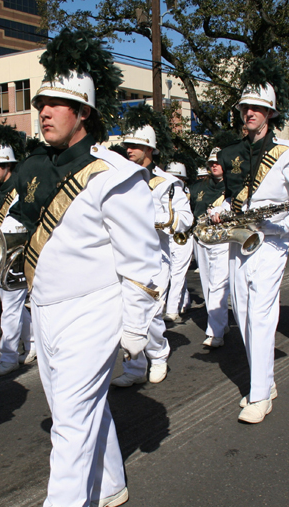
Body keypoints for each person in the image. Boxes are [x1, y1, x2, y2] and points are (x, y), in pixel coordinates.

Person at [8, 30, 160, 507]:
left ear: (84, 113)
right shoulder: (33, 169)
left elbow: (142, 260)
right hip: (45, 310)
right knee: (78, 409)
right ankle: (112, 483)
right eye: (42, 103)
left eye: (58, 104)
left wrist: (135, 327)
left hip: (93, 312)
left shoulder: (114, 175)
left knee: (69, 426)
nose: (44, 111)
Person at [215, 58, 289, 423]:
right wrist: (221, 209)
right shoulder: (231, 152)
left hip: (271, 242)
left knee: (262, 316)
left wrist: (284, 223)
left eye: (257, 108)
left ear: (270, 113)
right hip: (239, 239)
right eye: (245, 107)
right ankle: (264, 379)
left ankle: (260, 394)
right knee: (244, 315)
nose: (249, 113)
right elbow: (234, 197)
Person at [111, 107, 192, 387]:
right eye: (128, 145)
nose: (129, 150)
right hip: (124, 257)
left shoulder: (168, 184)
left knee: (152, 314)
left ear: (149, 149)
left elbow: (185, 219)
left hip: (156, 260)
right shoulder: (120, 179)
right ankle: (134, 368)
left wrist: (153, 220)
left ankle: (158, 355)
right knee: (126, 316)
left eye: (135, 145)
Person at [0, 122, 37, 377]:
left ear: (10, 166)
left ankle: (9, 356)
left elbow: (32, 220)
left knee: (10, 308)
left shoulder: (22, 188)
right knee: (11, 306)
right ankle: (32, 342)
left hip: (18, 254)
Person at [190, 147, 230, 347]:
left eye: (217, 162)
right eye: (211, 162)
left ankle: (215, 332)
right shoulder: (199, 186)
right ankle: (220, 323)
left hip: (222, 239)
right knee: (207, 284)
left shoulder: (233, 184)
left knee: (218, 284)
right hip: (201, 238)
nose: (214, 165)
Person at [163, 160, 195, 322]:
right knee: (171, 273)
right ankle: (184, 301)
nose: (174, 180)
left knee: (177, 274)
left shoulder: (191, 193)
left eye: (177, 178)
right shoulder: (164, 190)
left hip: (184, 236)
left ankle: (172, 310)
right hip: (168, 235)